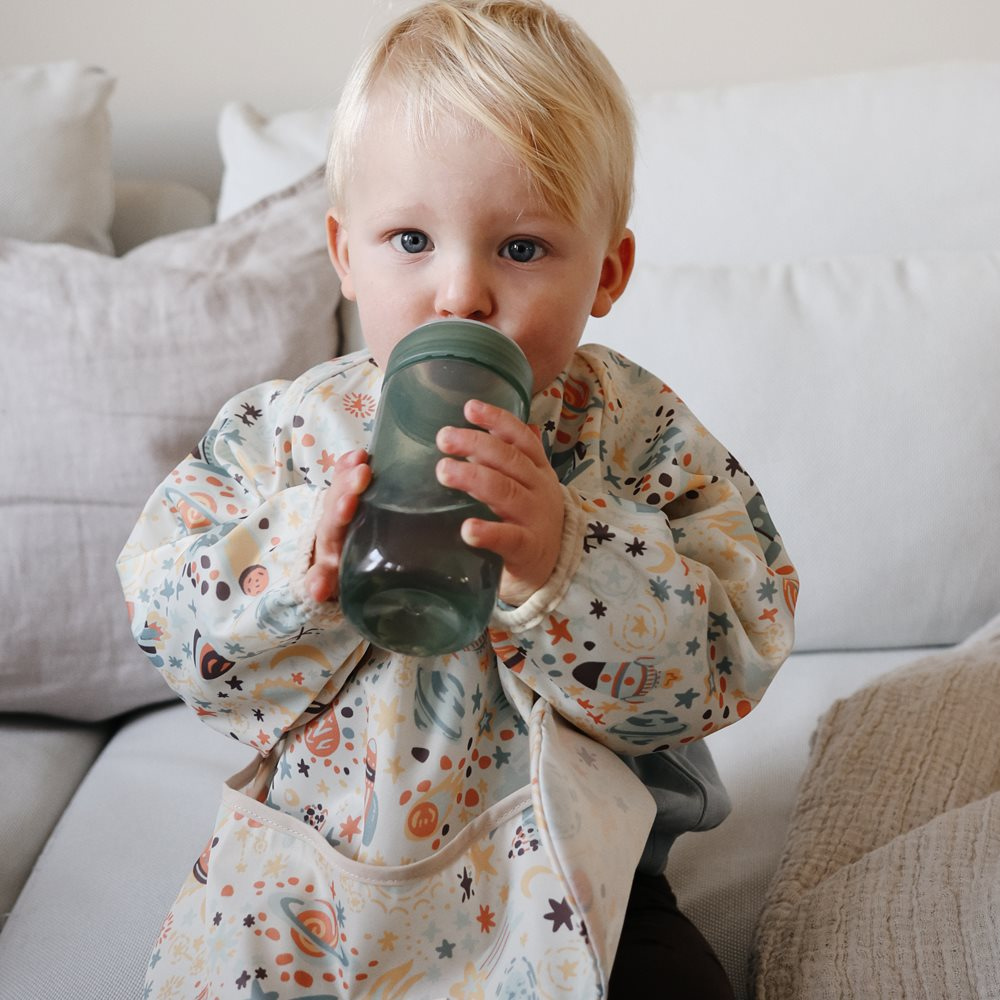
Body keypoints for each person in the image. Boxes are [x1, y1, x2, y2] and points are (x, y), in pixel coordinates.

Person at [117, 2, 798, 997]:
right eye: (410, 238)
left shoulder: (633, 431)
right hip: (319, 880)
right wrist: (295, 558)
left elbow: (740, 643)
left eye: (521, 248)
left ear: (606, 271)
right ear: (344, 255)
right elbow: (162, 619)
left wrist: (569, 557)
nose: (460, 293)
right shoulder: (290, 433)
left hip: (573, 877)